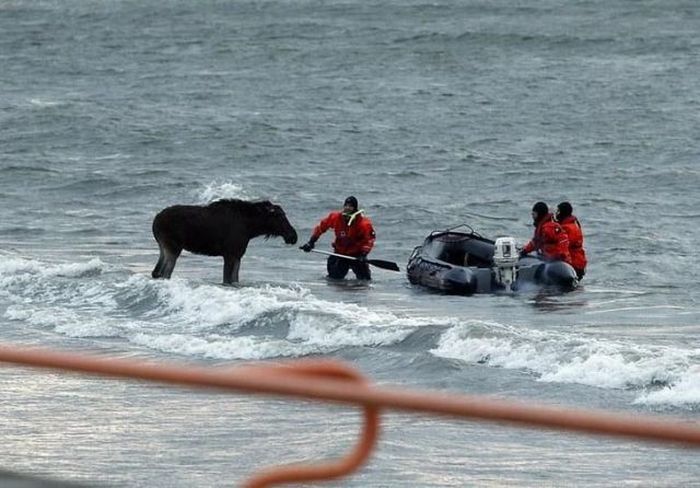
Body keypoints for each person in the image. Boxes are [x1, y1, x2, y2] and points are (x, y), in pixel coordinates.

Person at [300, 196, 376, 280]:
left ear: (355, 208)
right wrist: (311, 242)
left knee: (365, 280)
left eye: (350, 206)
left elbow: (369, 240)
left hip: (357, 255)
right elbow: (321, 227)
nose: (347, 208)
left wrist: (363, 254)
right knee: (334, 280)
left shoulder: (364, 224)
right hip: (340, 253)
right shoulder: (336, 217)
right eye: (346, 205)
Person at [555, 201, 587, 279]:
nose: (556, 214)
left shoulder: (567, 228)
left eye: (558, 211)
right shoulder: (573, 225)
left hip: (573, 263)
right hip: (579, 261)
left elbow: (562, 245)